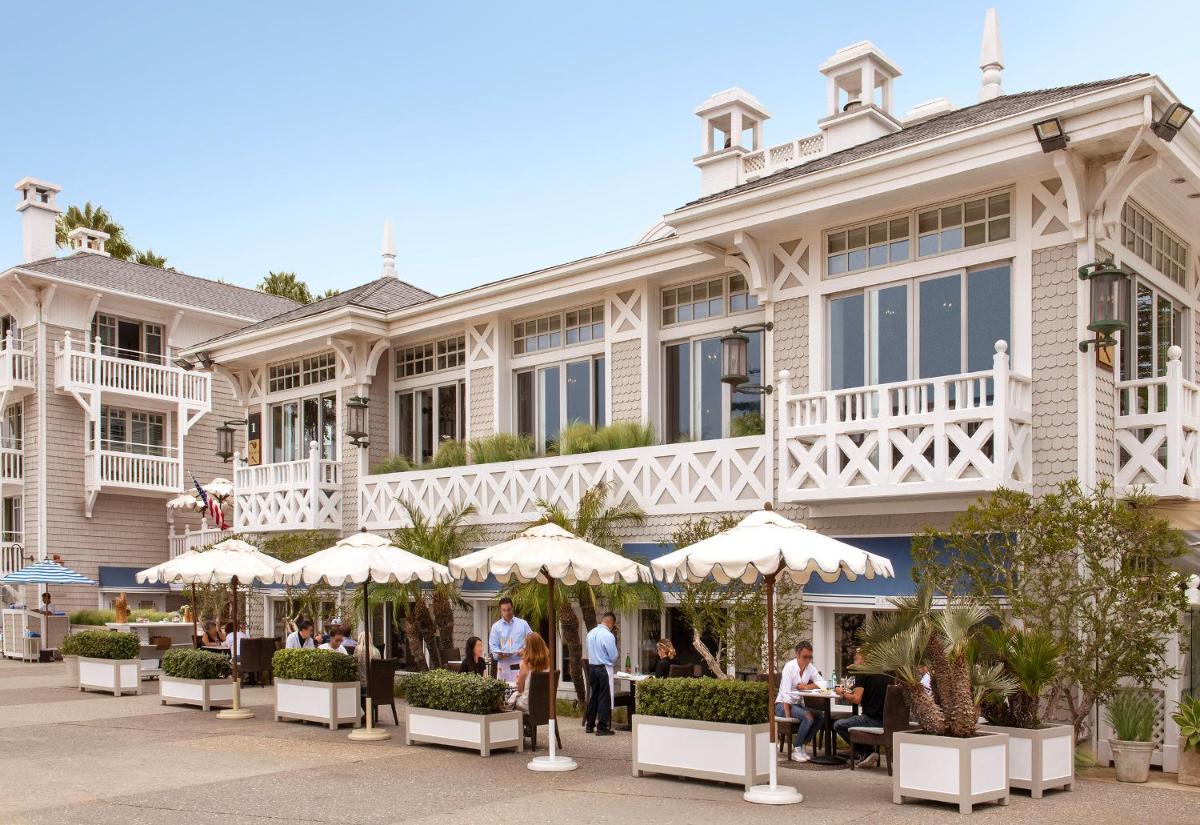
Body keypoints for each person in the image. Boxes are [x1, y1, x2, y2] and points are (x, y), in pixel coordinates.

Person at [834, 647, 894, 768]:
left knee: (838, 725)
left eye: (857, 656)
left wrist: (842, 693)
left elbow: (856, 699)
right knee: (855, 720)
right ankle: (868, 751)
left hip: (872, 720)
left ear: (866, 658)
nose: (855, 657)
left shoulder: (862, 672)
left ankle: (865, 752)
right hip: (889, 722)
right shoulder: (886, 673)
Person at [775, 641, 825, 762]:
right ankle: (797, 750)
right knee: (808, 716)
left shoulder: (810, 668)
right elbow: (786, 694)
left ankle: (800, 744)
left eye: (810, 657)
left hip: (797, 706)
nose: (808, 660)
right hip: (782, 706)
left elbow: (823, 683)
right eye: (805, 657)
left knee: (820, 716)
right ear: (797, 655)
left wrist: (807, 687)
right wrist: (788, 719)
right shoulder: (789, 667)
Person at [584, 612, 618, 735]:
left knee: (594, 696)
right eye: (613, 625)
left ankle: (589, 725)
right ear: (611, 623)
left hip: (592, 667)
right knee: (604, 697)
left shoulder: (590, 633)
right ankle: (602, 728)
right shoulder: (608, 635)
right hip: (603, 667)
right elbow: (613, 656)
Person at [488, 597, 531, 685]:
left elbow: (532, 641)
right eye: (504, 610)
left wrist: (525, 650)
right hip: (503, 665)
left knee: (520, 690)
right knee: (503, 691)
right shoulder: (496, 627)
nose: (507, 613)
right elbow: (493, 646)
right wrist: (499, 654)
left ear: (512, 608)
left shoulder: (523, 624)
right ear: (501, 610)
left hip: (520, 663)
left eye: (509, 610)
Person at [505, 631, 549, 713]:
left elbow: (520, 689)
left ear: (528, 648)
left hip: (527, 705)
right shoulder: (548, 665)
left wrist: (518, 679)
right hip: (545, 705)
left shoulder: (525, 664)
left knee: (507, 701)